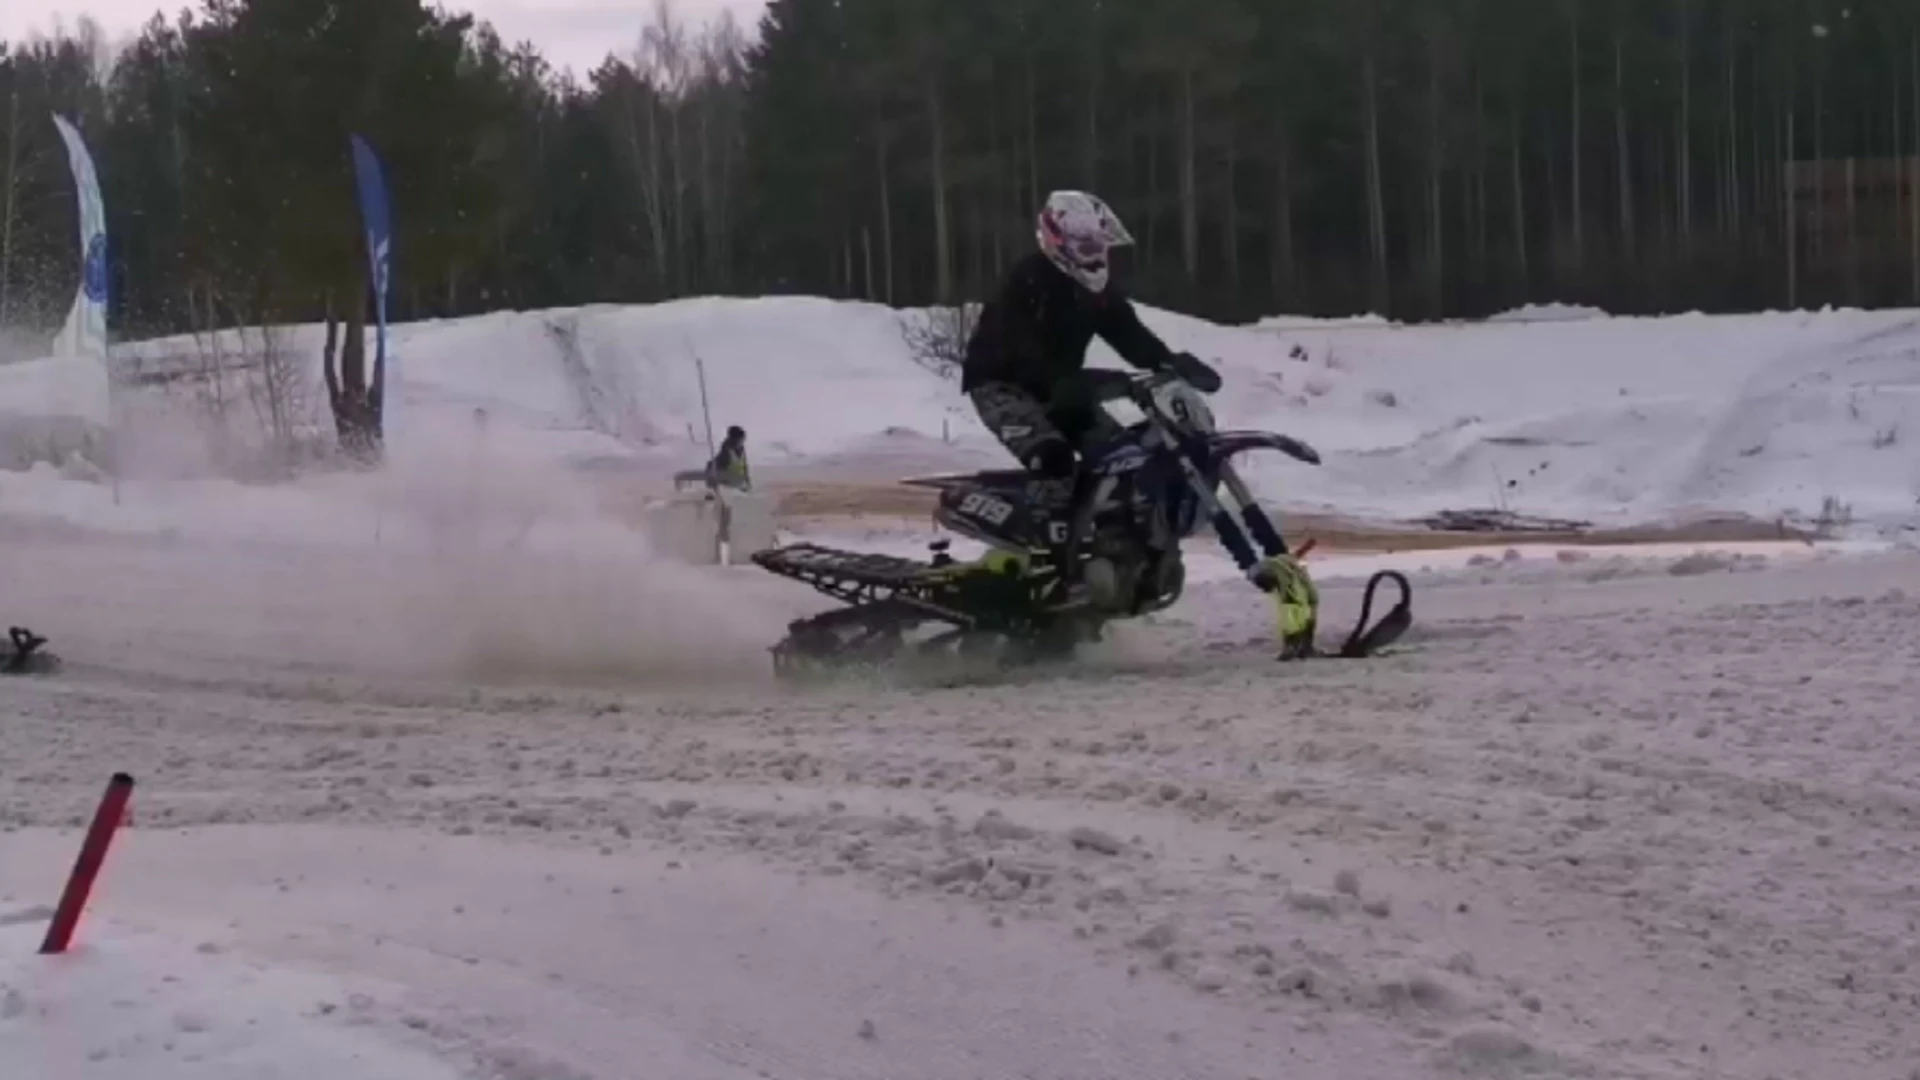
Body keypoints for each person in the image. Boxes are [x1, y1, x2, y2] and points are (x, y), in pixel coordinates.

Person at [961, 190, 1213, 519]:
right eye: (1087, 248)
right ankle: (1040, 539)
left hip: (1063, 387)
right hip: (1003, 385)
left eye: (1100, 247)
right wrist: (1067, 380)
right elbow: (1017, 344)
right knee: (1054, 460)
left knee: (1122, 460)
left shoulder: (1096, 292)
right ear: (1059, 244)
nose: (1096, 258)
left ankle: (1118, 546)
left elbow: (1127, 332)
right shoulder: (1029, 280)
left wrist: (1168, 361)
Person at [707, 424, 750, 492]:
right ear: (734, 439)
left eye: (743, 439)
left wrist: (747, 480)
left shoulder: (741, 449)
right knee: (711, 466)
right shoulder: (727, 451)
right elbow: (717, 465)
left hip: (739, 481)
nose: (743, 441)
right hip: (730, 483)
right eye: (741, 439)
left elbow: (745, 465)